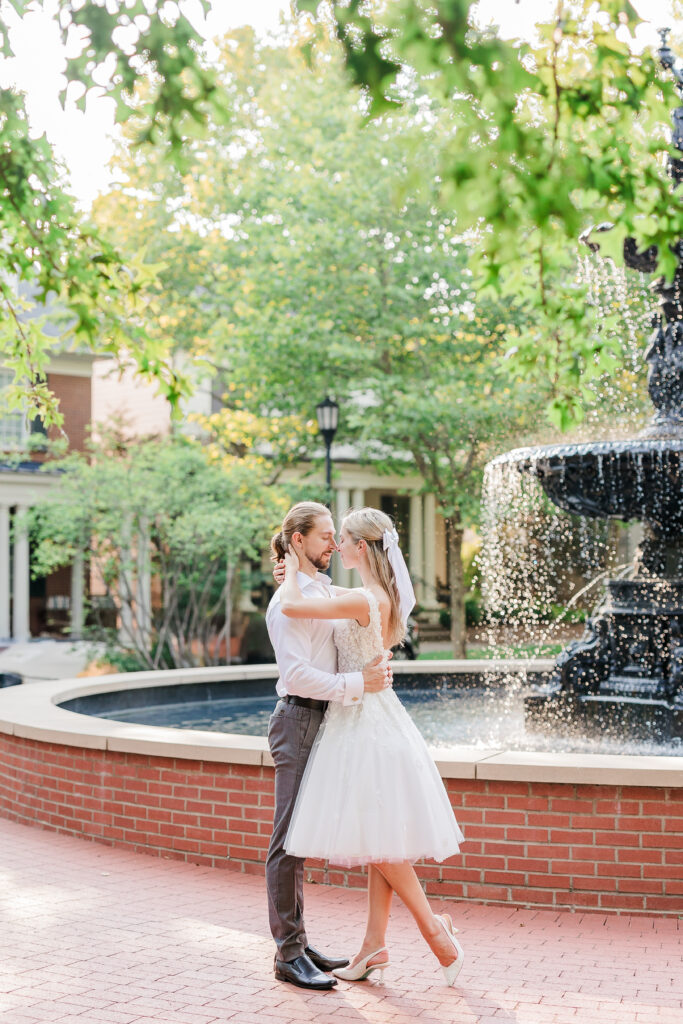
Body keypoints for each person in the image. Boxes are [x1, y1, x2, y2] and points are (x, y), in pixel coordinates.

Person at [277, 506, 465, 987]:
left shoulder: (363, 597)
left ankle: (433, 931)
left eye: (341, 537)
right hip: (369, 717)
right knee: (379, 833)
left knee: (378, 840)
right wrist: (293, 572)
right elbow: (323, 596)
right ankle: (373, 944)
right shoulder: (371, 593)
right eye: (328, 536)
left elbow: (296, 607)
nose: (336, 545)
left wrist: (292, 575)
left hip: (361, 722)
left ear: (362, 547)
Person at [265, 501, 392, 992]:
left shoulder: (311, 587)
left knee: (302, 838)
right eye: (323, 537)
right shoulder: (287, 600)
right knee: (286, 843)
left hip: (323, 722)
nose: (333, 545)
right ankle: (287, 953)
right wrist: (356, 682)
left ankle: (300, 943)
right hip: (297, 720)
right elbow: (295, 674)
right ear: (297, 541)